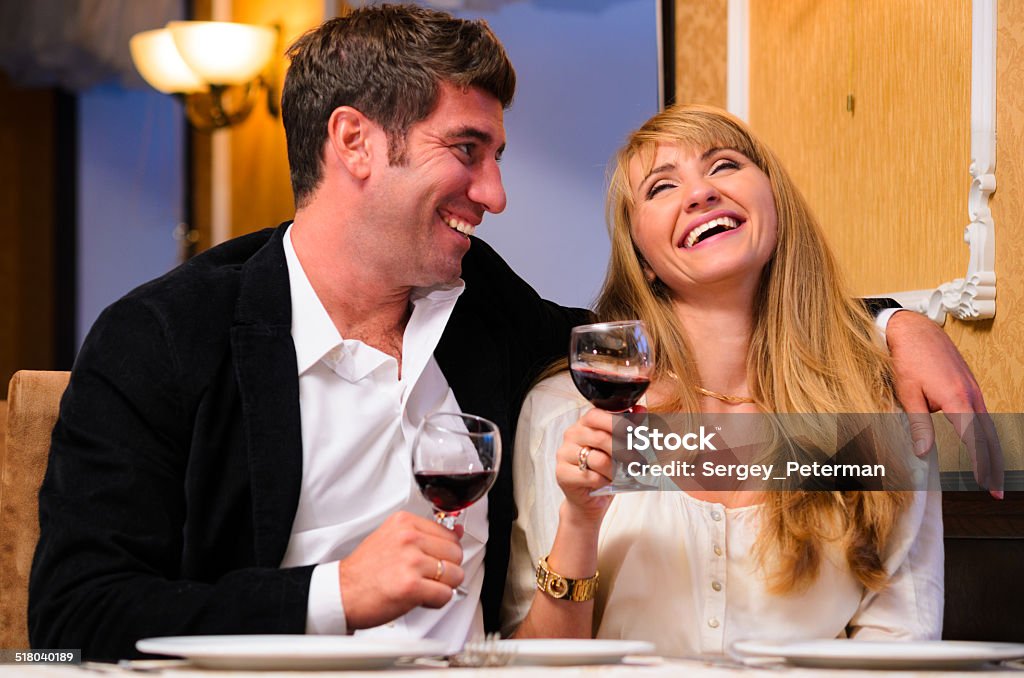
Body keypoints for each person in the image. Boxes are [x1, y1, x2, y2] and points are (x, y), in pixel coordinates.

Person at [28, 4, 994, 662]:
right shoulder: (162, 337)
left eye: (496, 155)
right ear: (355, 143)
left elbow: (697, 308)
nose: (494, 194)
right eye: (468, 151)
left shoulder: (487, 313)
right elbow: (72, 617)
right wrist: (334, 595)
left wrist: (886, 322)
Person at [502, 105, 945, 653]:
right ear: (641, 257)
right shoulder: (561, 413)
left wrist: (902, 321)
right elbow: (538, 665)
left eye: (724, 166)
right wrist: (579, 521)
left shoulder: (878, 408)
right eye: (662, 186)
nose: (699, 193)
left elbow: (902, 644)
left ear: (774, 204)